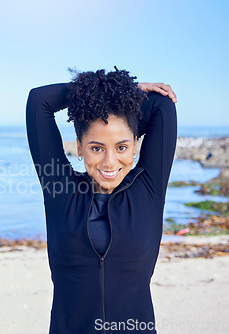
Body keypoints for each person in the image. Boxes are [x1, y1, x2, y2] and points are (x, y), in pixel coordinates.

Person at [26, 68, 177, 333]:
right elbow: (39, 101)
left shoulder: (149, 189)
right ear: (80, 147)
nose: (110, 162)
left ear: (134, 145)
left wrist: (125, 93)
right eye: (97, 148)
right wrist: (102, 90)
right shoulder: (60, 190)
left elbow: (162, 104)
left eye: (121, 147)